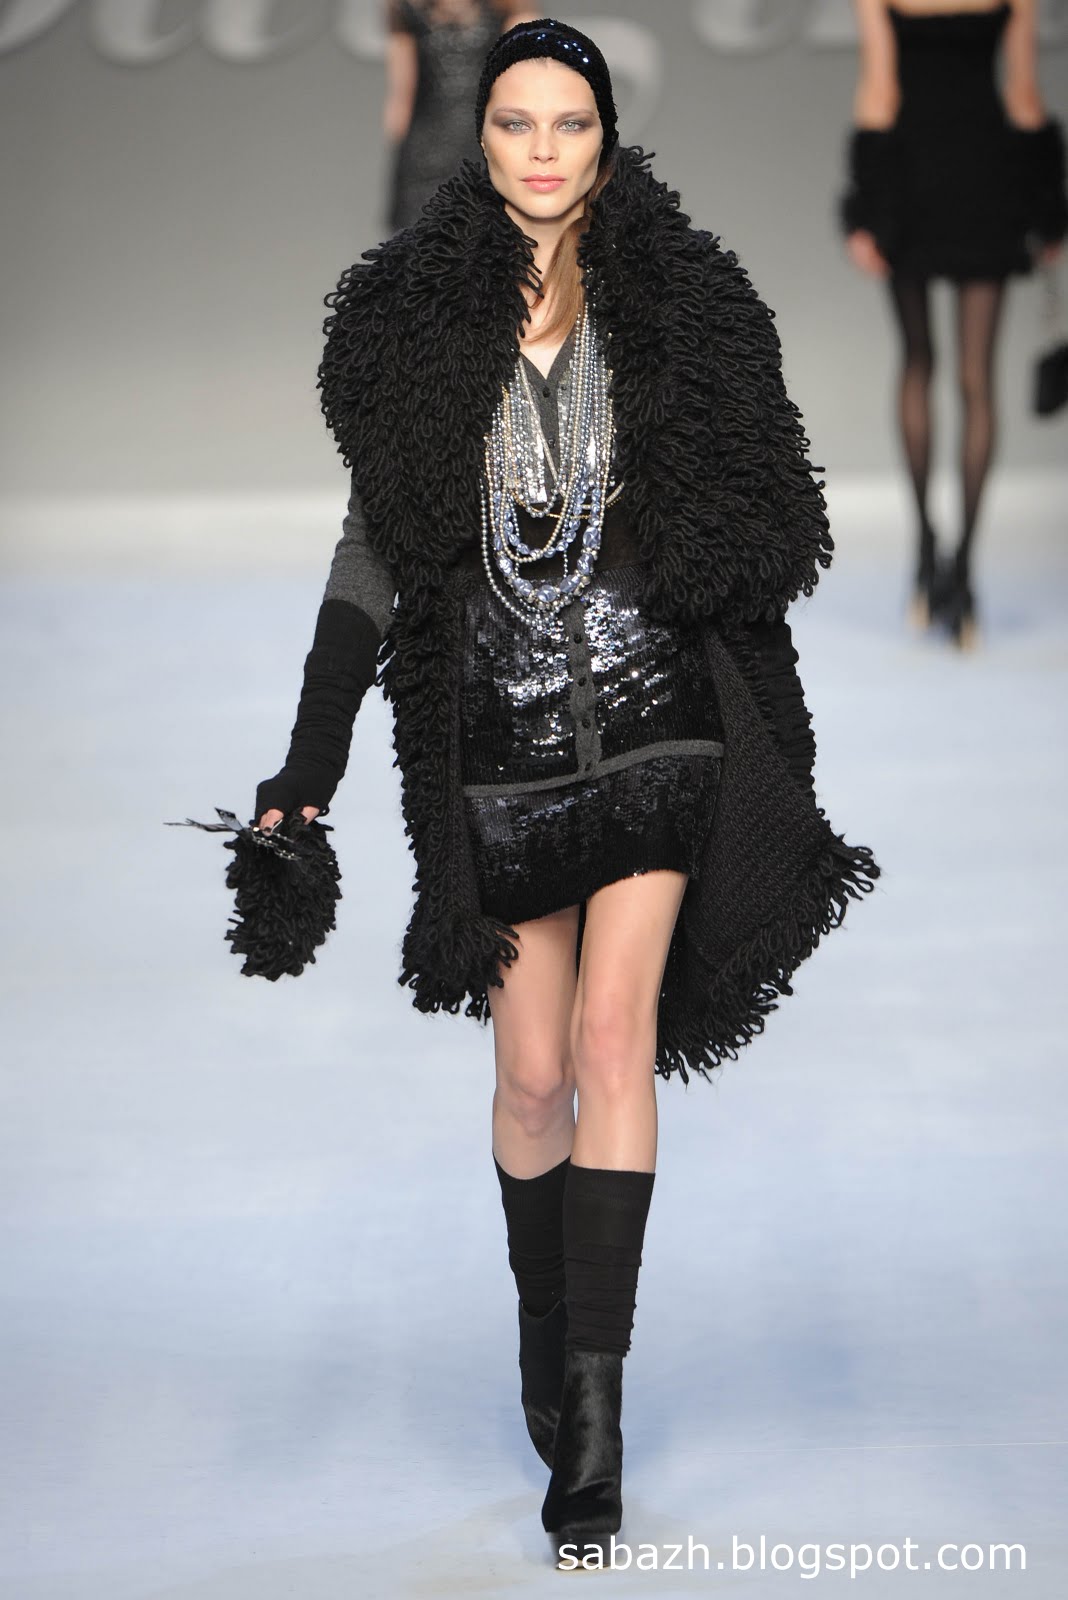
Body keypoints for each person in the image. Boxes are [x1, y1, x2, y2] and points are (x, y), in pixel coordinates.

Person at [256, 18, 879, 1568]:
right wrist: (307, 768)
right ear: (481, 138)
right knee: (531, 1077)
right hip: (498, 735)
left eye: (570, 124)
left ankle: (595, 1413)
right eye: (517, 123)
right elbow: (370, 555)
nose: (544, 151)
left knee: (612, 1040)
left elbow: (759, 523)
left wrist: (766, 714)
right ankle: (549, 1330)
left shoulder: (681, 301)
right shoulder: (414, 321)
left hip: (658, 715)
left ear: (608, 137)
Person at [839, 0, 1067, 649]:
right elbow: (1023, 94)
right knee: (976, 378)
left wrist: (865, 210)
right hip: (986, 178)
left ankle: (925, 554)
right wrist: (1048, 206)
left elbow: (879, 92)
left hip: (909, 179)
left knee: (918, 362)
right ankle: (962, 573)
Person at [384, 0, 538, 231]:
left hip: (484, 151)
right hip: (426, 156)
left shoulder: (507, 7)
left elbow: (523, 88)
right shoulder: (407, 8)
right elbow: (401, 99)